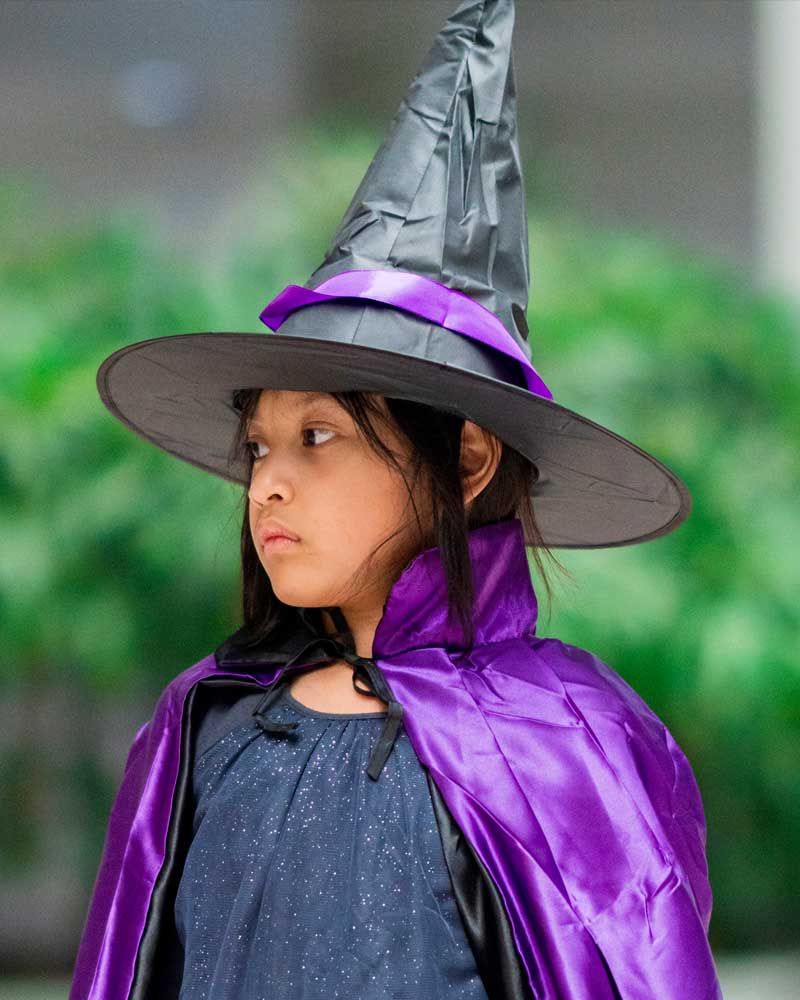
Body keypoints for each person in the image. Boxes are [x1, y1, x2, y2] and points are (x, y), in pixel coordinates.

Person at [69, 1, 723, 998]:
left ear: (463, 458)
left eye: (318, 436)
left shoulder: (568, 744)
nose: (269, 480)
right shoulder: (202, 727)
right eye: (258, 446)